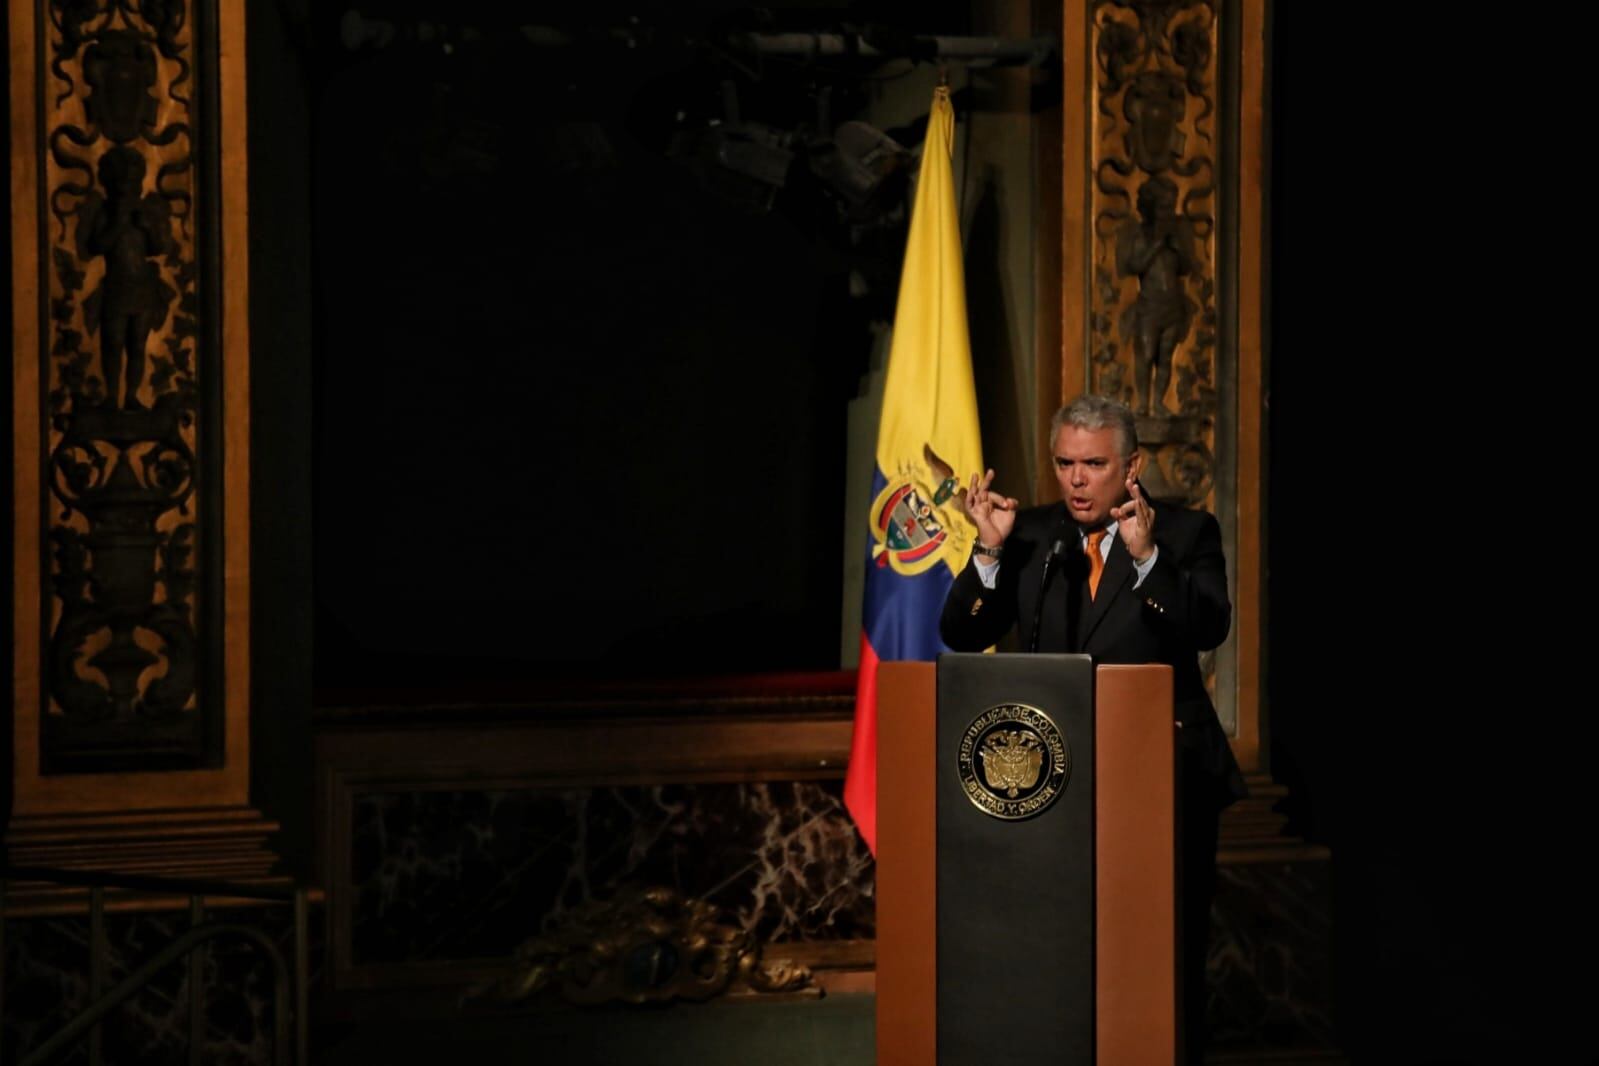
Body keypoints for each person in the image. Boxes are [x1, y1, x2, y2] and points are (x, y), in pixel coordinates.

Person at [939, 392, 1245, 1065]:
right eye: (1064, 463)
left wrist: (1145, 560)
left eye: (1093, 464)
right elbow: (961, 633)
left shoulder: (1185, 533)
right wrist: (987, 554)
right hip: (1054, 781)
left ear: (1130, 465)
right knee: (1061, 946)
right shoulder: (1028, 535)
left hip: (1163, 775)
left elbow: (1209, 626)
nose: (1076, 480)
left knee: (1161, 947)